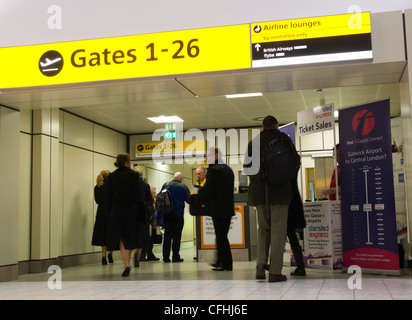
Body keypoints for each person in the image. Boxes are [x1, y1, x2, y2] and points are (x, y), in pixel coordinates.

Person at [244, 115, 300, 282]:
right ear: (276, 126)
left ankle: (260, 264)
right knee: (278, 231)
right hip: (280, 194)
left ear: (263, 126)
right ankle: (275, 271)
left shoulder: (253, 142)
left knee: (263, 229)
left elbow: (247, 168)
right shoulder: (284, 138)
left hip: (260, 195)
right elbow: (295, 162)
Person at [105, 153, 142, 277]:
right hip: (132, 209)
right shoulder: (134, 175)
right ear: (128, 162)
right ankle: (128, 262)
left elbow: (108, 196)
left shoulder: (112, 176)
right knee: (130, 236)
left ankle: (126, 264)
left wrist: (110, 210)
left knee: (121, 237)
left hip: (117, 210)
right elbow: (139, 194)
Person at [198, 147, 235, 271]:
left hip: (217, 209)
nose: (207, 158)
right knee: (222, 235)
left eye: (208, 156)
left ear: (216, 155)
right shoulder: (229, 170)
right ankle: (220, 261)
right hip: (228, 208)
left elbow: (207, 190)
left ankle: (226, 264)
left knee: (221, 236)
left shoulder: (213, 171)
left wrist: (199, 191)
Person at [162, 172, 190, 263]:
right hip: (178, 215)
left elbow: (161, 197)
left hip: (167, 214)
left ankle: (165, 257)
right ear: (181, 178)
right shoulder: (183, 187)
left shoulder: (165, 185)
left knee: (167, 236)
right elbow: (189, 200)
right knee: (177, 236)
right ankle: (175, 256)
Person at [91, 169, 114, 265]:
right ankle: (110, 254)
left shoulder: (97, 187)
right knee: (112, 234)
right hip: (110, 212)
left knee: (102, 234)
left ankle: (103, 256)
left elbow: (97, 201)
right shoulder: (111, 187)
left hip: (101, 213)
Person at [287, 181, 306, 276]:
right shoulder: (293, 168)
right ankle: (300, 266)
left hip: (286, 204)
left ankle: (274, 264)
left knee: (283, 235)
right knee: (292, 236)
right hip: (293, 204)